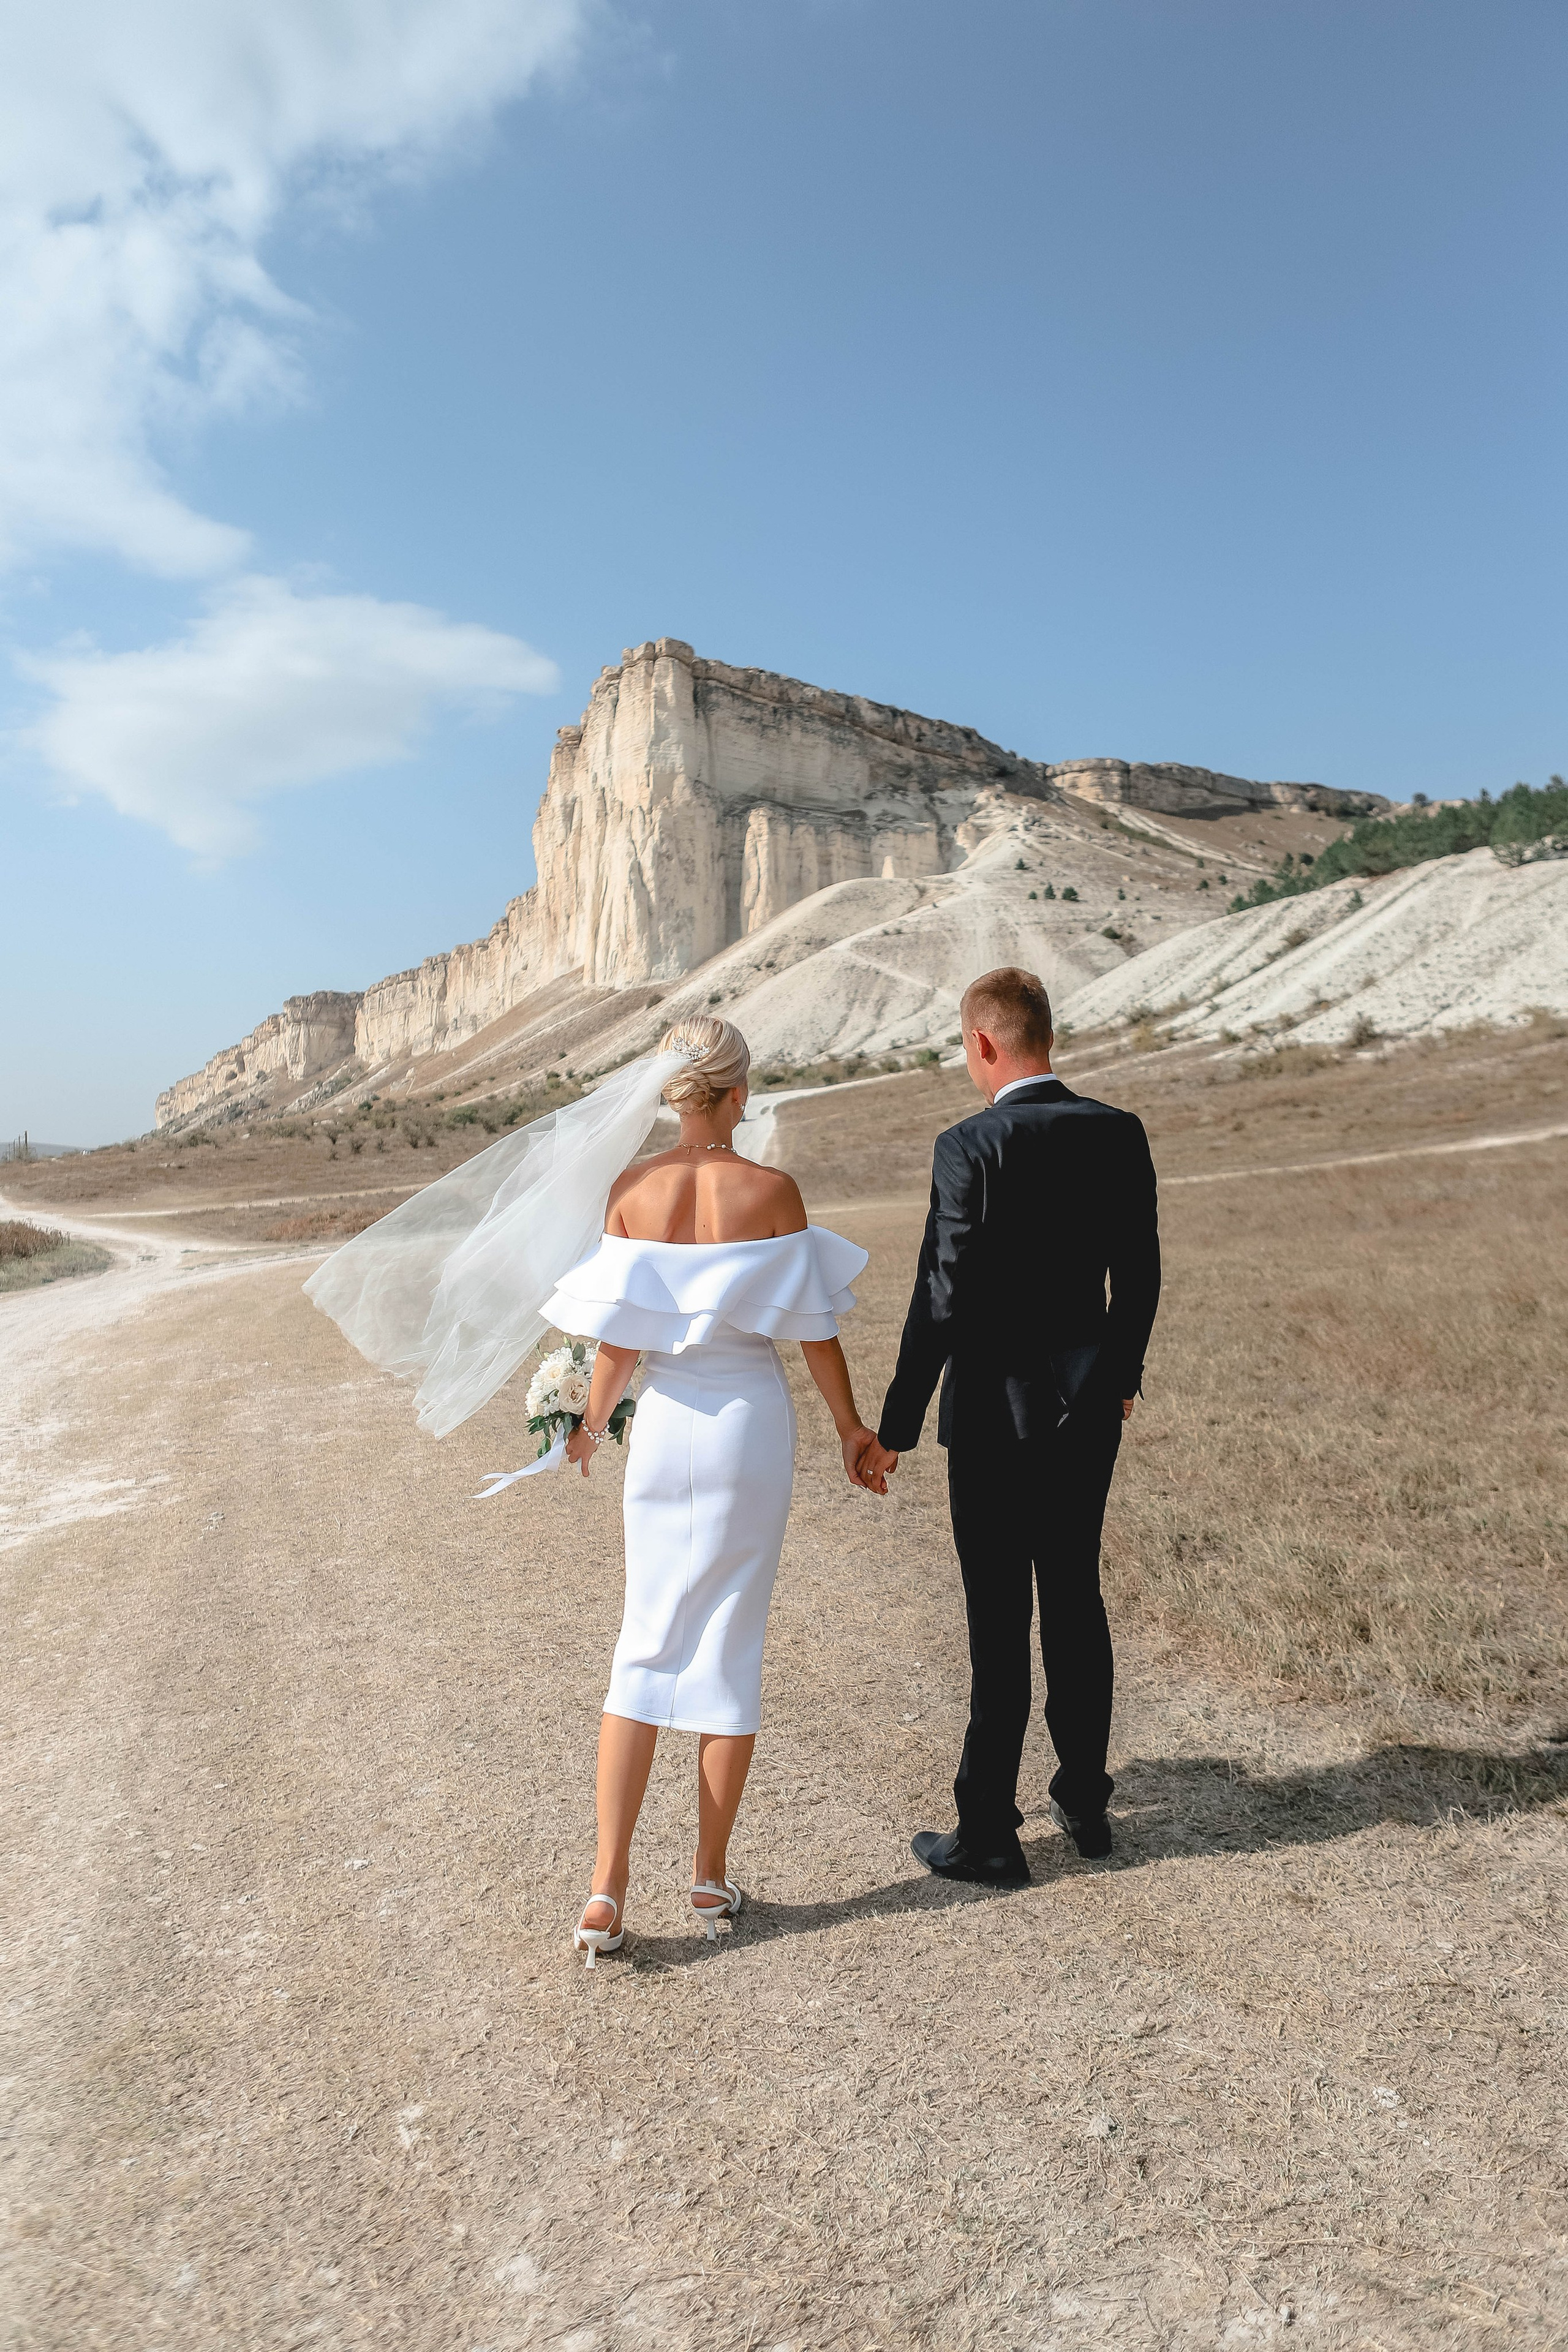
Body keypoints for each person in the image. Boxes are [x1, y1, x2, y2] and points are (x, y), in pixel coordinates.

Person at [536, 1017, 886, 1965]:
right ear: (738, 1094)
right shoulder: (771, 1190)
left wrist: (591, 1422)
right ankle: (707, 1873)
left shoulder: (631, 1189)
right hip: (745, 1426)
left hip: (662, 1429)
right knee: (731, 1636)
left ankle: (605, 1888)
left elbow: (617, 1337)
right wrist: (854, 1430)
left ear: (671, 1093)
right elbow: (814, 1330)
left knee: (642, 1638)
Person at [862, 967, 1160, 1883]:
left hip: (992, 1415)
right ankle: (1084, 1798)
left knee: (998, 1616)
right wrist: (1118, 1377)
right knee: (1074, 1594)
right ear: (1048, 1039)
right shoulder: (1118, 1131)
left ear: (983, 1045)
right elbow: (1140, 1274)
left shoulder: (968, 1146)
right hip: (1087, 1411)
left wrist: (897, 1425)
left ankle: (990, 1828)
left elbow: (942, 1296)